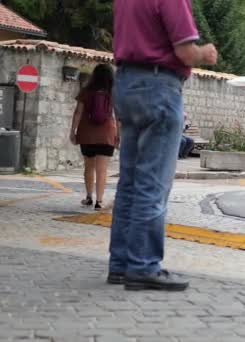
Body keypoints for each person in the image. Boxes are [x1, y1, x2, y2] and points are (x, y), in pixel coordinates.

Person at [110, 0, 217, 292]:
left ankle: (120, 264)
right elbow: (185, 51)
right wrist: (205, 53)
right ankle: (143, 266)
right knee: (152, 184)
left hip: (126, 83)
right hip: (158, 86)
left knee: (129, 183)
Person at [69, 64, 117, 211]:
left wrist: (73, 131)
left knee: (89, 167)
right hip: (107, 135)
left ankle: (89, 197)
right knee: (102, 170)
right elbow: (119, 117)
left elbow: (78, 112)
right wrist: (119, 135)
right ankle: (99, 201)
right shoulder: (113, 93)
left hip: (87, 134)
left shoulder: (86, 91)